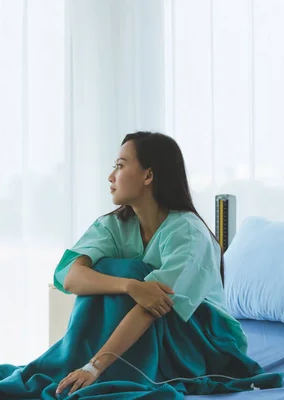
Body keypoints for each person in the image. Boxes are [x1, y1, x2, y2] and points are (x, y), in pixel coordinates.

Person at [54, 131, 247, 396]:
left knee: (128, 271)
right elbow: (70, 277)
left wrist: (95, 366)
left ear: (148, 175)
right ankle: (106, 367)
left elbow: (153, 307)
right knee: (115, 272)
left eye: (120, 166)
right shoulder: (114, 225)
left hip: (205, 340)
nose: (111, 176)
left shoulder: (188, 233)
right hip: (146, 332)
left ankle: (111, 371)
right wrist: (130, 286)